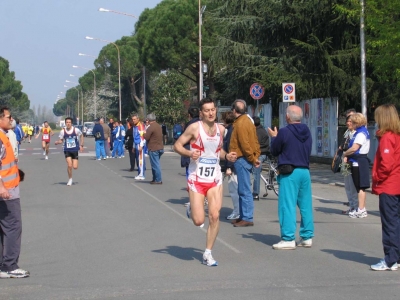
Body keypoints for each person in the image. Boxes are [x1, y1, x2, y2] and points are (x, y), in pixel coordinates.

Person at [174, 98, 237, 267]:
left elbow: (218, 152)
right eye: (207, 110)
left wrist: (227, 156)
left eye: (213, 110)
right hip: (197, 179)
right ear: (201, 113)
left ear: (216, 111)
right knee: (198, 220)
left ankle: (208, 253)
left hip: (215, 178)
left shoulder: (221, 130)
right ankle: (192, 208)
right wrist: (189, 154)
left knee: (215, 215)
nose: (210, 113)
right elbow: (177, 145)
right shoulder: (195, 128)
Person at [267, 105, 314, 250]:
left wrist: (274, 138)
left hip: (289, 171)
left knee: (287, 205)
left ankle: (288, 238)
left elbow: (274, 150)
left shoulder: (284, 132)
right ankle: (307, 236)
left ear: (287, 116)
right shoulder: (307, 131)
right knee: (305, 205)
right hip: (304, 170)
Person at [0, 106, 30, 278]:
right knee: (13, 227)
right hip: (7, 191)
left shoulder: (4, 136)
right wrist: (2, 186)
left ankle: (2, 265)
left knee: (2, 227)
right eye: (8, 117)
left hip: (7, 186)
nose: (11, 120)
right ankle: (9, 266)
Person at [370, 104, 400, 271]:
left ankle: (390, 259)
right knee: (396, 223)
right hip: (397, 183)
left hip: (389, 185)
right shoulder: (397, 136)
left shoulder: (387, 137)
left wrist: (378, 178)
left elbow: (386, 165)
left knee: (390, 224)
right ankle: (396, 256)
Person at [229, 99, 260, 227]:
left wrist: (252, 158)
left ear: (234, 110)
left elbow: (245, 144)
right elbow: (254, 141)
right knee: (242, 189)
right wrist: (255, 156)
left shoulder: (241, 123)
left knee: (244, 189)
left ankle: (247, 217)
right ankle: (243, 216)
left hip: (242, 158)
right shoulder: (247, 121)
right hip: (245, 158)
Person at [343, 113, 370, 218]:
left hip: (358, 161)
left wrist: (345, 153)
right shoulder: (360, 132)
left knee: (359, 187)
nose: (351, 124)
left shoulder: (360, 133)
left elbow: (354, 148)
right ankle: (360, 209)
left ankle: (361, 209)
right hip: (356, 160)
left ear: (357, 123)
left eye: (352, 122)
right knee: (359, 187)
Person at [54, 117, 84, 186]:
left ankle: (71, 174)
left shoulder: (76, 130)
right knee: (69, 165)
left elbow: (81, 135)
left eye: (69, 122)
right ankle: (70, 179)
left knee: (75, 167)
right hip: (67, 150)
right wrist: (57, 142)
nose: (68, 124)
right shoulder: (63, 131)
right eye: (67, 122)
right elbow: (61, 140)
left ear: (71, 123)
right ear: (65, 123)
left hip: (75, 149)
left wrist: (81, 145)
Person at [340, 109, 358, 214]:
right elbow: (343, 144)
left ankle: (355, 206)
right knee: (347, 184)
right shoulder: (347, 132)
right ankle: (351, 205)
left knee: (352, 184)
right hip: (345, 160)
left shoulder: (356, 133)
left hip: (351, 160)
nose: (348, 122)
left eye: (351, 120)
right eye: (347, 120)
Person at [223, 111, 240, 220]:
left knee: (234, 190)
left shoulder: (230, 131)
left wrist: (228, 166)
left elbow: (230, 149)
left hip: (233, 163)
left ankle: (237, 211)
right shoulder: (237, 128)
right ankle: (242, 212)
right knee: (241, 189)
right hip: (241, 162)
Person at [252, 116, 270, 200]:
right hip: (263, 153)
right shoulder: (261, 130)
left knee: (256, 171)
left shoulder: (258, 132)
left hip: (260, 154)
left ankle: (256, 193)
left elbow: (255, 146)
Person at [144, 113, 164, 184]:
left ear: (149, 120)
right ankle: (155, 178)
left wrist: (143, 133)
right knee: (155, 164)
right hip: (160, 147)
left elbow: (147, 137)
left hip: (153, 148)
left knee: (155, 164)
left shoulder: (151, 127)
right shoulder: (158, 126)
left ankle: (158, 179)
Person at [132, 114, 146, 180]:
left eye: (134, 119)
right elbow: (134, 137)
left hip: (140, 145)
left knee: (141, 160)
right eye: (132, 119)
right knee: (138, 159)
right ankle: (139, 173)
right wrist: (133, 147)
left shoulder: (140, 126)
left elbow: (142, 137)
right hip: (136, 144)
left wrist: (141, 145)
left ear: (138, 119)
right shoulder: (135, 126)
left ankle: (141, 174)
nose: (133, 120)